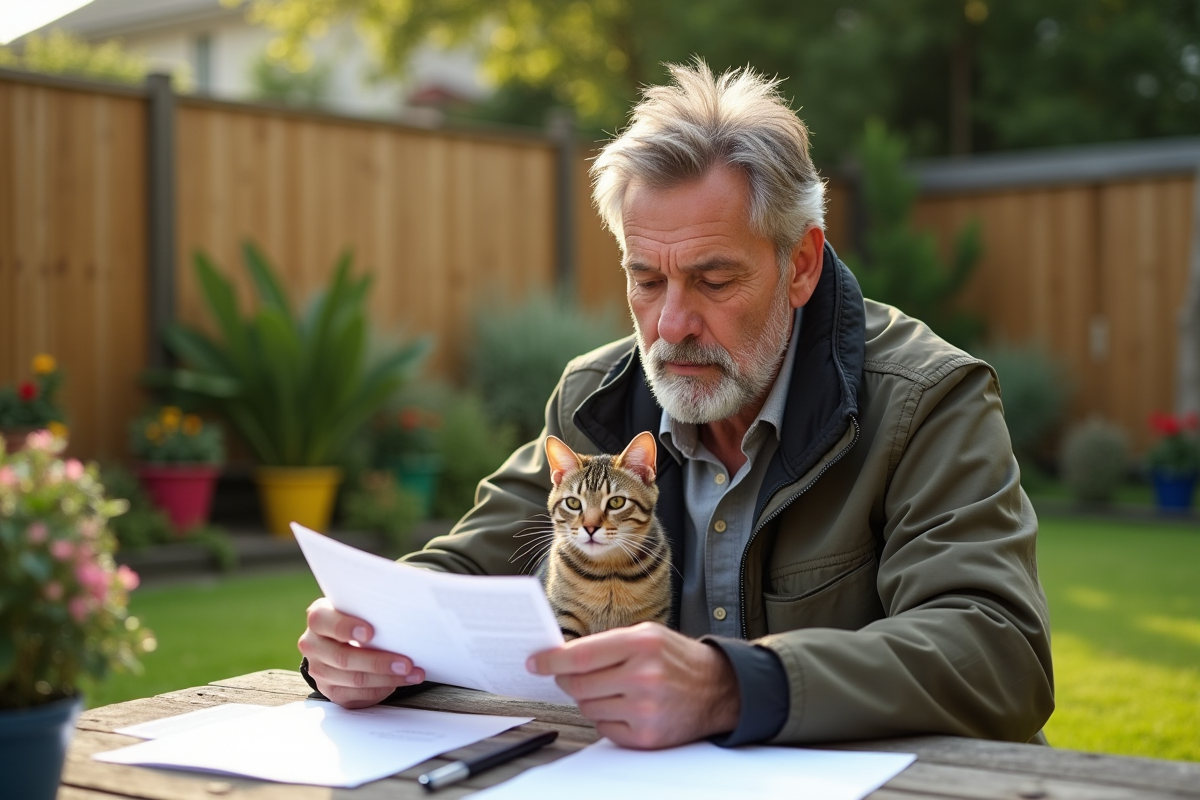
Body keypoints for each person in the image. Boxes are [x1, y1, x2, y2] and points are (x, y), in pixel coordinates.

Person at [298, 60, 1054, 750]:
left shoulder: (929, 400)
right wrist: (367, 635)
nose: (669, 326)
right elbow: (468, 567)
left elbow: (1000, 653)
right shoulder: (594, 401)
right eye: (646, 280)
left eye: (714, 281)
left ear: (801, 264)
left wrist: (732, 685)